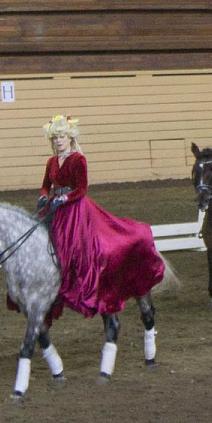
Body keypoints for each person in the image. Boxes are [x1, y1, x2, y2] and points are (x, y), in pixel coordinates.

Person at [38, 115, 165, 317]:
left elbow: (82, 189)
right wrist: (44, 196)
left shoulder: (78, 159)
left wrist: (65, 198)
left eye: (61, 136)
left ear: (69, 137)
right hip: (55, 207)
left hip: (74, 209)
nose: (58, 141)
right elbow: (46, 185)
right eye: (55, 138)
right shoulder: (51, 161)